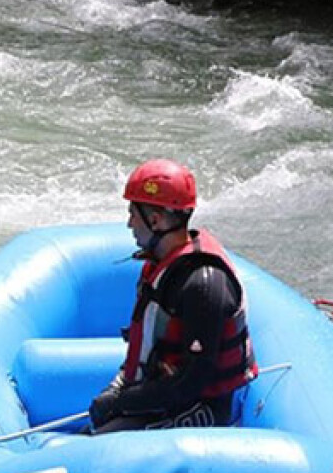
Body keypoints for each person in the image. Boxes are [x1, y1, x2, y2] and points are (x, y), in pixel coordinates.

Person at [88, 159, 258, 433]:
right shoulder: (162, 265)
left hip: (206, 407)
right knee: (94, 433)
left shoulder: (202, 285)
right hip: (167, 396)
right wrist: (116, 391)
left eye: (133, 213)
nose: (129, 223)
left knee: (102, 443)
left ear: (155, 220)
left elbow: (192, 382)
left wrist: (122, 402)